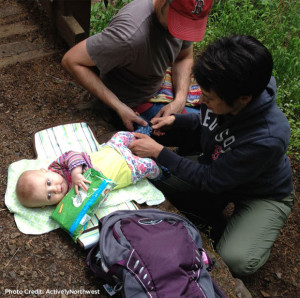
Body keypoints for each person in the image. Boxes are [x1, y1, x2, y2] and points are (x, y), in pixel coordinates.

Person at [128, 35, 294, 277]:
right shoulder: (222, 87)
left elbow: (210, 179)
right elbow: (208, 121)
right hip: (220, 167)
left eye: (209, 98)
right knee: (152, 178)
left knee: (236, 260)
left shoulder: (268, 137)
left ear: (244, 99)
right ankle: (210, 205)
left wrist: (159, 152)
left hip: (260, 193)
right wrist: (177, 121)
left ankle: (245, 221)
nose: (201, 100)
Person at [61, 0, 213, 131]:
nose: (183, 31)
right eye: (180, 22)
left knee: (217, 107)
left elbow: (184, 57)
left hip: (156, 78)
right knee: (208, 124)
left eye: (189, 25)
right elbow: (72, 60)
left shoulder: (184, 12)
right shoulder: (129, 36)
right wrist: (119, 107)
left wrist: (179, 100)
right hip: (134, 100)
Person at [16, 132, 161, 208]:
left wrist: (76, 173)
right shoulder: (67, 202)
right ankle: (161, 174)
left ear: (44, 171)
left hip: (112, 151)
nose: (55, 189)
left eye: (48, 183)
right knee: (149, 166)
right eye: (49, 196)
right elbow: (94, 202)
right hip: (126, 170)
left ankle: (145, 133)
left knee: (122, 135)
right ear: (45, 206)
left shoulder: (56, 167)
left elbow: (71, 155)